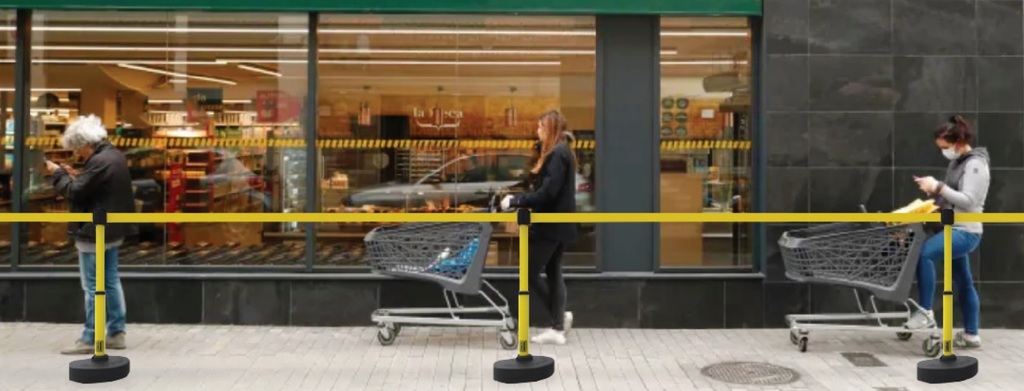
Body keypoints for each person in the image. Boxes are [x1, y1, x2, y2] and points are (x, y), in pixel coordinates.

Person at [45, 115, 135, 355]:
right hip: (113, 230)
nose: (77, 153)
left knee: (93, 286)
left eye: (77, 148)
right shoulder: (114, 156)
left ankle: (89, 337)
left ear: (86, 142)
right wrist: (77, 175)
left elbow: (75, 192)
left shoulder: (99, 162)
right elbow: (95, 187)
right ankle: (116, 332)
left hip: (94, 232)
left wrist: (58, 174)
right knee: (111, 281)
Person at [906, 115, 989, 349]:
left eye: (945, 147)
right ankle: (972, 335)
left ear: (959, 142)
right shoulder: (958, 162)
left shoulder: (975, 165)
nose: (944, 152)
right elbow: (952, 196)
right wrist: (933, 191)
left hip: (966, 231)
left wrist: (939, 187)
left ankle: (925, 312)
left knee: (926, 255)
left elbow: (969, 200)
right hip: (954, 227)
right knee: (963, 281)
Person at [501, 110, 577, 345]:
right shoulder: (562, 153)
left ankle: (557, 321)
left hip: (551, 224)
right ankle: (558, 322)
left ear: (550, 128)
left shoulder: (557, 155)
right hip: (558, 224)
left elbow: (548, 193)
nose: (538, 131)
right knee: (554, 272)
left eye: (540, 127)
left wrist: (516, 201)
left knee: (529, 272)